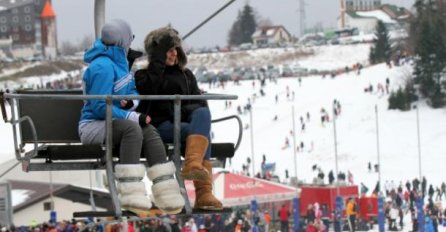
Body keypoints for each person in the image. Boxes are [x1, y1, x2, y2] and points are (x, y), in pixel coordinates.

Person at [78, 19, 184, 215]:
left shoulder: (120, 64)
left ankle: (166, 191)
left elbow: (132, 91)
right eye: (130, 38)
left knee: (149, 131)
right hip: (93, 125)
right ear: (122, 40)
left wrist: (131, 102)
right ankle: (130, 191)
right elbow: (100, 106)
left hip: (115, 121)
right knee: (133, 128)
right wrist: (131, 115)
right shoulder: (102, 67)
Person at [134, 26, 222, 210]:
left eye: (176, 49)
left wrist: (185, 111)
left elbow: (197, 104)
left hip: (183, 124)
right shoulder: (143, 75)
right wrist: (158, 61)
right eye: (169, 50)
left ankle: (194, 167)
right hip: (158, 126)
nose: (174, 54)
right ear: (157, 53)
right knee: (199, 134)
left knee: (203, 114)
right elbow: (150, 89)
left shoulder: (186, 75)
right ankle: (203, 191)